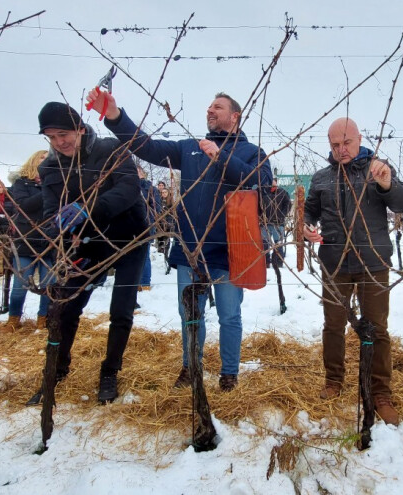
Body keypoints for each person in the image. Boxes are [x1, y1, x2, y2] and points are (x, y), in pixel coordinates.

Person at [90, 89, 273, 392]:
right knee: (189, 315)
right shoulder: (189, 148)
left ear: (235, 116)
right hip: (189, 248)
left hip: (231, 250)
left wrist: (220, 156)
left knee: (229, 315)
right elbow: (146, 147)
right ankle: (191, 367)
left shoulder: (251, 152)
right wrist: (114, 116)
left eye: (218, 106)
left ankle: (229, 374)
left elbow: (261, 182)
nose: (210, 110)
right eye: (209, 106)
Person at [28, 101, 148, 405]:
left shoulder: (111, 149)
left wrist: (87, 209)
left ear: (80, 128)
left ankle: (109, 373)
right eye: (52, 137)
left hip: (129, 238)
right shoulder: (50, 168)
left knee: (121, 310)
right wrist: (61, 240)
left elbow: (129, 189)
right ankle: (56, 371)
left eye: (64, 133)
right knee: (66, 307)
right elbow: (49, 214)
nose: (60, 142)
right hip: (86, 245)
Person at [302, 117, 403, 425]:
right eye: (335, 145)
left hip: (373, 263)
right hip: (335, 263)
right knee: (333, 325)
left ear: (359, 138)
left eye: (346, 143)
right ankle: (334, 380)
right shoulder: (322, 177)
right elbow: (309, 209)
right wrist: (306, 226)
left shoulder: (377, 170)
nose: (341, 150)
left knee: (377, 328)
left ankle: (381, 393)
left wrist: (387, 183)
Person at [3, 150, 53, 331]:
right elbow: (24, 205)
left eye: (49, 157)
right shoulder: (21, 183)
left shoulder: (58, 183)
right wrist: (48, 189)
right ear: (33, 160)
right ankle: (14, 319)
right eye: (42, 157)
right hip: (27, 239)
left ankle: (44, 318)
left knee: (49, 284)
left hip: (50, 240)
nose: (46, 160)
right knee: (20, 284)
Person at [137, 164, 162, 291]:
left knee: (144, 254)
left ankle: (145, 282)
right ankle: (135, 283)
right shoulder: (127, 187)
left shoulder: (150, 188)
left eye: (138, 171)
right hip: (130, 227)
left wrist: (148, 218)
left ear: (142, 173)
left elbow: (157, 208)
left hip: (145, 226)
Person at [260, 178, 291, 267]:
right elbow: (258, 205)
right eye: (271, 185)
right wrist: (261, 216)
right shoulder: (263, 193)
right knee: (264, 243)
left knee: (278, 243)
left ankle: (278, 262)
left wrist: (282, 215)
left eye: (274, 185)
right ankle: (266, 262)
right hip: (265, 223)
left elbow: (288, 204)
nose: (273, 187)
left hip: (278, 223)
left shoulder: (282, 193)